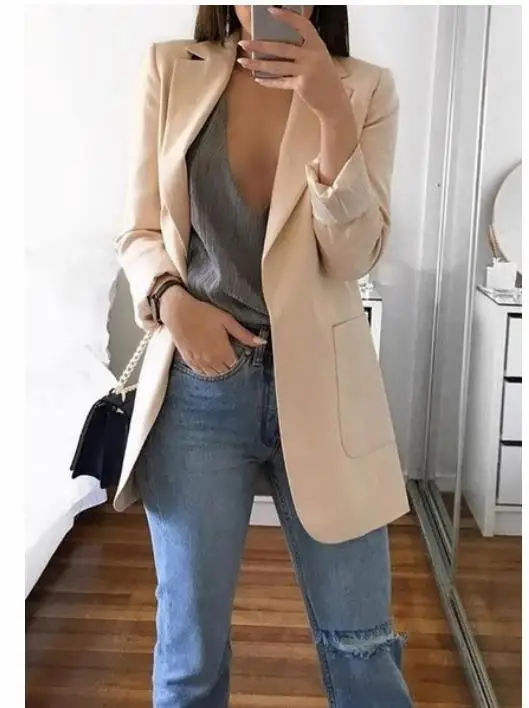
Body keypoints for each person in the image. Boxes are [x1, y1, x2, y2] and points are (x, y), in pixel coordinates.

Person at [114, 5, 412, 707]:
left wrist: (331, 114)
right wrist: (172, 302)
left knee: (363, 649)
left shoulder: (364, 88)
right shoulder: (172, 69)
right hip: (199, 386)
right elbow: (139, 231)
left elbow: (353, 257)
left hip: (324, 390)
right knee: (188, 654)